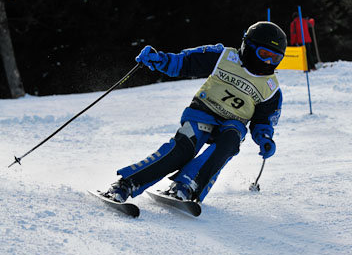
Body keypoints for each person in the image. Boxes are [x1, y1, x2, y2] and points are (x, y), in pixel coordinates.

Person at [101, 21, 287, 204]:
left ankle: (187, 185)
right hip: (203, 114)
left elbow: (263, 121)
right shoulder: (223, 57)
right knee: (183, 149)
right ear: (248, 46)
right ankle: (126, 184)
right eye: (264, 54)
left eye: (275, 58)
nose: (268, 62)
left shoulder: (271, 89)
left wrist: (264, 138)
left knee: (229, 143)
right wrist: (160, 60)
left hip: (232, 124)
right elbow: (185, 62)